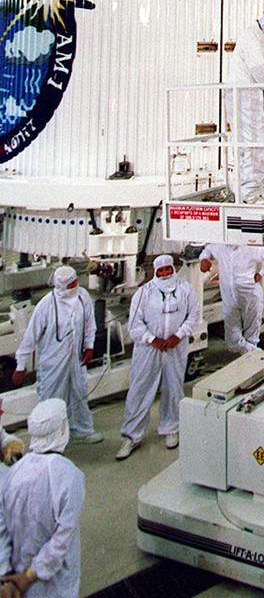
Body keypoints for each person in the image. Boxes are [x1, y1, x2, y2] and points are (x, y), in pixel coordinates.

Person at [115, 256, 200, 461]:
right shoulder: (143, 293)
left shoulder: (186, 290)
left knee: (173, 386)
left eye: (167, 270)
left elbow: (194, 316)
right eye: (160, 271)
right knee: (140, 388)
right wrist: (152, 339)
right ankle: (131, 435)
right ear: (155, 272)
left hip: (176, 346)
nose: (164, 274)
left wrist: (178, 336)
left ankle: (171, 427)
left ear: (173, 268)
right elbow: (135, 323)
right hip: (148, 349)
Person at [0, 398, 85, 598]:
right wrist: (30, 575)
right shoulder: (69, 476)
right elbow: (63, 538)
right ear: (63, 429)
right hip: (48, 578)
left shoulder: (14, 472)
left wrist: (6, 577)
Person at [11, 267, 101, 445]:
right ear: (60, 286)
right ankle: (47, 440)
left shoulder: (82, 296)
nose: (74, 287)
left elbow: (90, 323)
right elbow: (30, 337)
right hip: (52, 361)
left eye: (75, 283)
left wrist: (89, 346)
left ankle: (81, 431)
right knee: (51, 398)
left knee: (79, 393)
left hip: (76, 358)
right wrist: (20, 366)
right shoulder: (47, 305)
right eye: (70, 285)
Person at [227, 5, 264, 204]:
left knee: (253, 144)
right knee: (255, 143)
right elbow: (260, 71)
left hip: (253, 96)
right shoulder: (252, 38)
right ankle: (249, 195)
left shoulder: (261, 38)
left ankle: (247, 193)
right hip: (246, 97)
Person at [199, 242, 264, 354]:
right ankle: (258, 354)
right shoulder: (220, 247)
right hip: (229, 297)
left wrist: (262, 273)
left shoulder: (250, 248)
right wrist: (204, 259)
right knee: (233, 343)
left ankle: (252, 362)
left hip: (250, 296)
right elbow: (208, 249)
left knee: (251, 338)